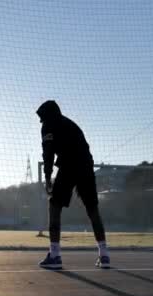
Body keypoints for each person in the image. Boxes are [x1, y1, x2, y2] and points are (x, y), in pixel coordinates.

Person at [36, 100, 110, 269]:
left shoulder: (48, 126)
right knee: (93, 209)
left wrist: (48, 177)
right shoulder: (71, 124)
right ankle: (104, 254)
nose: (41, 122)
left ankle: (54, 255)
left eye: (42, 118)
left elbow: (48, 153)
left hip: (70, 165)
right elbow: (85, 147)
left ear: (46, 115)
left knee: (54, 206)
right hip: (86, 165)